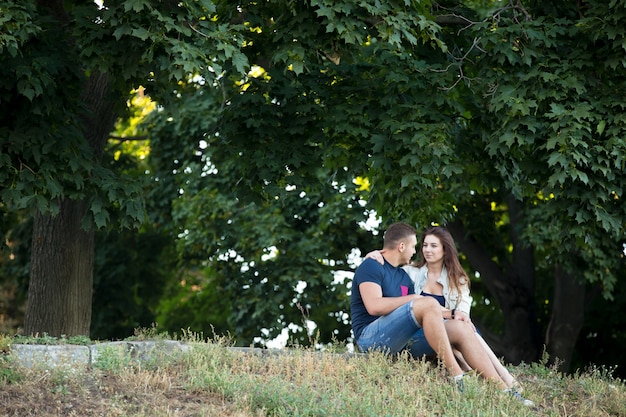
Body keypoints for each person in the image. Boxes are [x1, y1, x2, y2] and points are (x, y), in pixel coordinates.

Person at [365, 225, 533, 406]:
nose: (427, 250)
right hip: (419, 334)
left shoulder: (458, 280)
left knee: (464, 325)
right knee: (455, 326)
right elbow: (390, 265)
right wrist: (374, 254)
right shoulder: (410, 272)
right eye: (425, 245)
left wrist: (452, 316)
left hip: (451, 332)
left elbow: (462, 315)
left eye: (434, 246)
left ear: (445, 250)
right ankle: (502, 378)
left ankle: (502, 382)